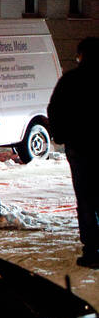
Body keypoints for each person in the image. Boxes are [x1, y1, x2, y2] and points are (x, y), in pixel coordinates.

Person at [47, 36, 99, 268]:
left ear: (81, 56)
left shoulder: (71, 80)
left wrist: (61, 136)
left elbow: (54, 109)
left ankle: (92, 250)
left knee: (86, 200)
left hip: (80, 148)